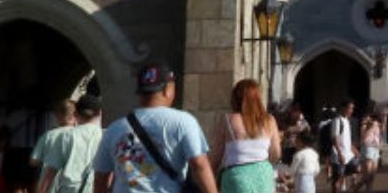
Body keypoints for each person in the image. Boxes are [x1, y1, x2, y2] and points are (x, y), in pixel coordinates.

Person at [92, 64, 218, 193]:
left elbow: (100, 179)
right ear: (167, 90)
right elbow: (199, 166)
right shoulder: (184, 122)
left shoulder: (114, 129)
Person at [207, 78, 280, 193]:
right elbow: (276, 154)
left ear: (235, 98)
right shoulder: (269, 120)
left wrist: (209, 181)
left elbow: (216, 157)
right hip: (263, 175)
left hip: (237, 176)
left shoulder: (228, 120)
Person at [33, 95, 102, 193]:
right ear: (100, 113)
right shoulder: (107, 136)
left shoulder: (65, 135)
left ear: (76, 114)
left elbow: (50, 172)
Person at [324, 101, 359, 193]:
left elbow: (346, 139)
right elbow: (334, 138)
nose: (351, 111)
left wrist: (354, 150)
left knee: (356, 169)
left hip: (348, 154)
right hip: (339, 155)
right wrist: (339, 153)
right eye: (350, 108)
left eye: (352, 108)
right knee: (337, 179)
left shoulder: (347, 121)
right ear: (344, 108)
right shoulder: (337, 120)